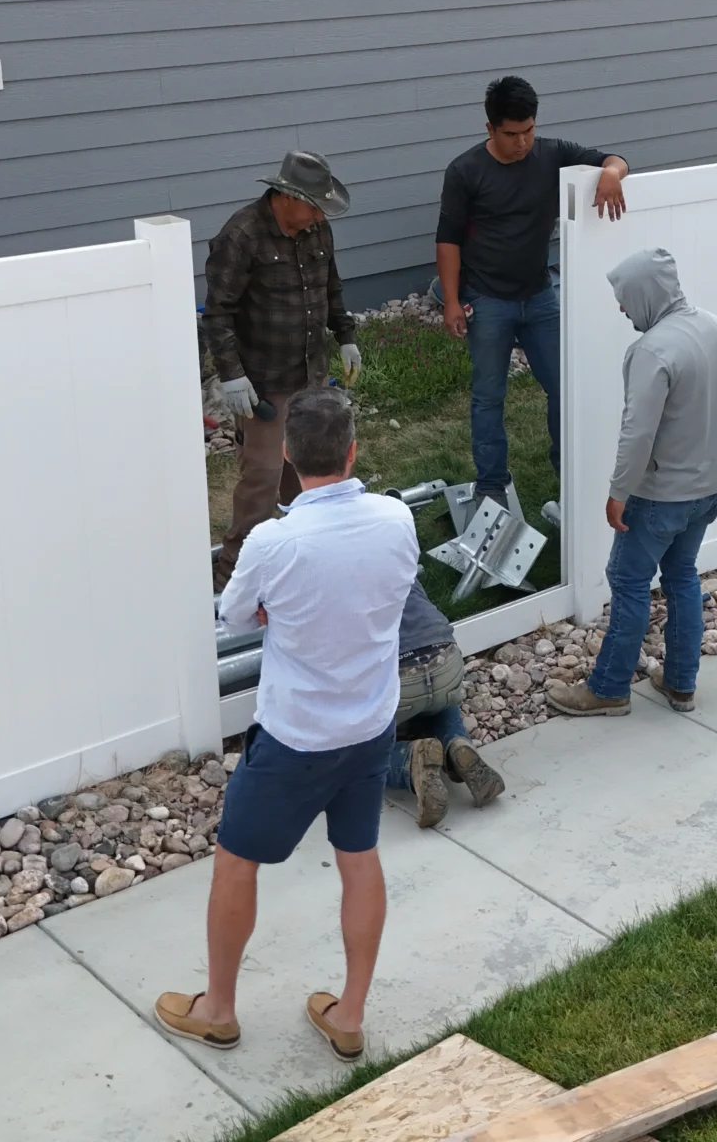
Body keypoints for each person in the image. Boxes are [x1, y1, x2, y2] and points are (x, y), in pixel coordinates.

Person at [157, 389, 412, 1063]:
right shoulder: (395, 519)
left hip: (295, 736)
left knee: (237, 861)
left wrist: (279, 609)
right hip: (371, 726)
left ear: (291, 459)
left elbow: (236, 617)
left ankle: (218, 1010)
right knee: (359, 860)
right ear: (353, 450)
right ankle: (350, 1017)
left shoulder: (275, 541)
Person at [549, 249, 717, 718]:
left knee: (629, 581)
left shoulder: (652, 350)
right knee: (681, 576)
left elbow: (637, 432)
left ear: (644, 293)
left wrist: (619, 492)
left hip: (662, 497)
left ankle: (609, 689)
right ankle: (680, 684)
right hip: (713, 486)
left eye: (624, 298)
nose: (621, 308)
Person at [435, 75, 631, 502]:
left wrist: (612, 174)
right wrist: (452, 301)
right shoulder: (465, 171)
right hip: (487, 300)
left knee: (563, 386)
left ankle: (569, 475)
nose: (521, 143)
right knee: (489, 396)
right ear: (490, 129)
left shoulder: (553, 154)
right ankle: (492, 487)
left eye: (528, 131)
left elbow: (613, 159)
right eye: (511, 134)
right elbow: (447, 239)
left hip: (540, 296)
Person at [202, 149, 363, 584]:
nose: (317, 216)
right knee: (263, 478)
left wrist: (346, 337)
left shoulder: (316, 230)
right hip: (263, 383)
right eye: (312, 205)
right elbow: (218, 315)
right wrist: (231, 373)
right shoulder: (241, 236)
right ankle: (233, 576)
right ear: (286, 195)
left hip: (310, 376)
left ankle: (301, 560)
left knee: (309, 476)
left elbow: (332, 289)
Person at [382, 578, 506, 828]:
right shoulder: (389, 544)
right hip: (445, 661)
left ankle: (408, 764)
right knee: (436, 701)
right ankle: (455, 746)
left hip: (397, 679)